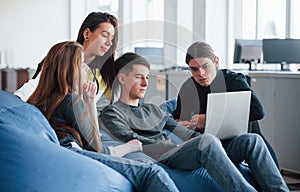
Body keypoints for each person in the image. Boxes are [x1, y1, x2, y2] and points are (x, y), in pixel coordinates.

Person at [101, 52, 289, 192]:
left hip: (183, 149)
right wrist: (198, 141)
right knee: (206, 142)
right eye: (138, 77)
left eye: (147, 77)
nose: (145, 83)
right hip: (164, 155)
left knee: (251, 140)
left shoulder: (153, 109)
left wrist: (202, 135)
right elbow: (133, 140)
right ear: (122, 78)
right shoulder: (112, 112)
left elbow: (183, 131)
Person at [27, 41, 179, 192]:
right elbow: (96, 147)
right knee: (151, 172)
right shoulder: (70, 100)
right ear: (70, 69)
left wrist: (90, 100)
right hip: (73, 153)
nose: (86, 69)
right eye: (82, 64)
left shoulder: (43, 98)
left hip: (65, 152)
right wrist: (127, 147)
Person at [171, 41, 279, 167]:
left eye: (205, 66)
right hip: (214, 147)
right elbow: (177, 119)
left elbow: (258, 111)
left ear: (216, 62)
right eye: (194, 69)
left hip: (243, 143)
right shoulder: (188, 87)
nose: (200, 73)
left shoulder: (233, 80)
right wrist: (183, 125)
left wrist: (209, 119)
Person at [15, 11, 117, 113]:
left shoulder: (107, 73)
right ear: (86, 34)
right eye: (104, 35)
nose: (109, 43)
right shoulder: (61, 58)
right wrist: (17, 101)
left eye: (112, 38)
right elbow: (35, 87)